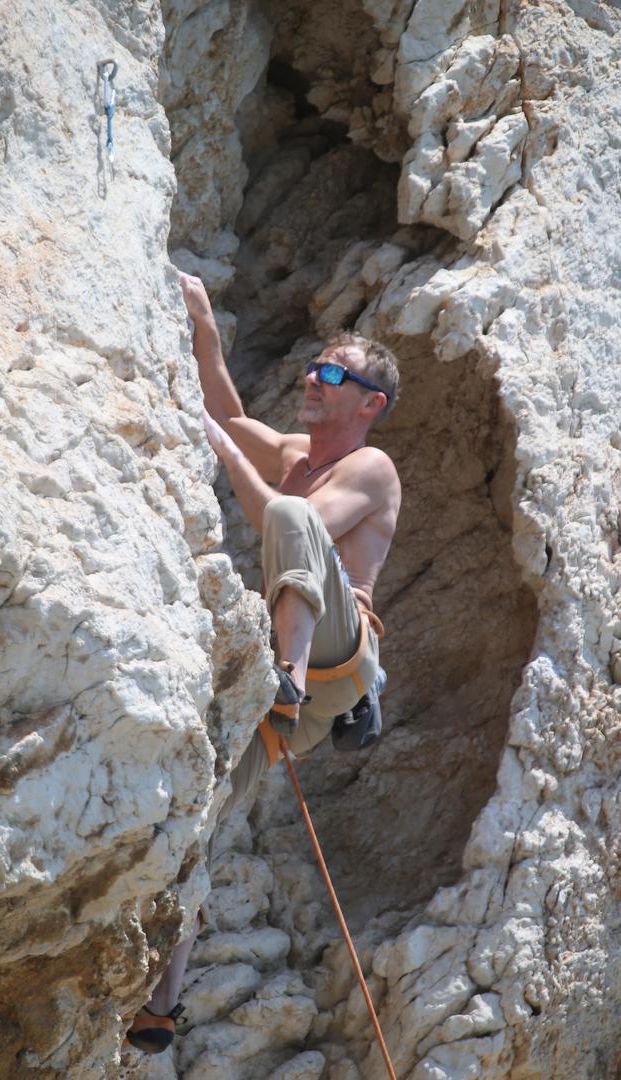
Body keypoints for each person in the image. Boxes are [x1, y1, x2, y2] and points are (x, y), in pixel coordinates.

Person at [125, 275, 401, 1054]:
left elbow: (287, 520)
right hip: (291, 697)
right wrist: (204, 328)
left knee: (288, 515)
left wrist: (221, 450)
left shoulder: (372, 468)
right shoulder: (295, 455)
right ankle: (161, 1002)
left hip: (338, 653)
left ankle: (287, 674)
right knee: (194, 808)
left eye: (334, 373)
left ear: (370, 403)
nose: (314, 377)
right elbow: (229, 417)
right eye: (315, 365)